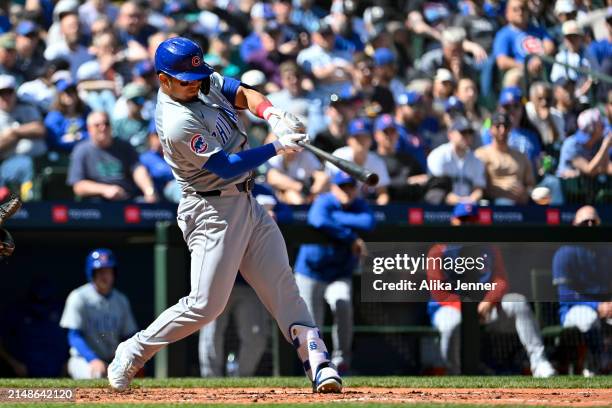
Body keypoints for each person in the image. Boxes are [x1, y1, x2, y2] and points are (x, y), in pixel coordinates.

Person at [107, 37, 342, 393]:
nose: (195, 83)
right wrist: (277, 146)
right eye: (184, 79)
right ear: (163, 79)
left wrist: (273, 114)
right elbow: (225, 166)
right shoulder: (175, 121)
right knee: (205, 306)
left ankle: (319, 363)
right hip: (210, 209)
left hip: (248, 202)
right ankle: (134, 349)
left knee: (283, 287)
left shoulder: (197, 78)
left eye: (197, 75)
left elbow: (242, 93)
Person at [427, 203, 556, 377]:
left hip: (485, 309)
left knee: (517, 302)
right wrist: (468, 310)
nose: (467, 225)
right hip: (449, 309)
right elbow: (439, 293)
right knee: (451, 322)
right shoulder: (438, 251)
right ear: (453, 221)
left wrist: (488, 302)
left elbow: (501, 281)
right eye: (462, 220)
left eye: (472, 221)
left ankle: (539, 363)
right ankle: (453, 373)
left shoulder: (488, 247)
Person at [198, 186, 289, 377]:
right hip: (221, 277)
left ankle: (240, 379)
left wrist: (271, 216)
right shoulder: (224, 186)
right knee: (211, 333)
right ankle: (211, 381)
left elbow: (287, 212)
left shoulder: (265, 191)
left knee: (256, 335)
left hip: (250, 283)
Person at [295, 171, 375, 374]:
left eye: (351, 186)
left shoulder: (360, 205)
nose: (347, 191)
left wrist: (336, 219)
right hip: (310, 271)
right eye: (342, 187)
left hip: (339, 273)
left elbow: (368, 222)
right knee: (311, 323)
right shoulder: (324, 201)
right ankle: (315, 364)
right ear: (333, 188)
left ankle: (341, 360)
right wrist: (351, 237)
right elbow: (318, 220)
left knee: (343, 304)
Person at [59, 249, 138, 379]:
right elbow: (73, 336)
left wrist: (130, 357)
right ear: (92, 273)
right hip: (83, 359)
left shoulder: (121, 299)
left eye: (108, 271)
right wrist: (93, 359)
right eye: (100, 272)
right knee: (97, 374)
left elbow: (128, 335)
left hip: (113, 359)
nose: (104, 276)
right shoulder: (78, 296)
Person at [552, 206, 612, 376]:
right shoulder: (565, 253)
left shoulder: (607, 252)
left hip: (605, 307)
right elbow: (566, 295)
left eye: (595, 222)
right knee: (588, 318)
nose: (591, 225)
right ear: (575, 226)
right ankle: (592, 368)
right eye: (585, 222)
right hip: (574, 311)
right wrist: (596, 305)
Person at [67, 111, 158, 202]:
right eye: (97, 125)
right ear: (89, 128)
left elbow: (138, 170)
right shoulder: (81, 150)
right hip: (96, 203)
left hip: (126, 198)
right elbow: (78, 186)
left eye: (106, 124)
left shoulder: (124, 146)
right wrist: (105, 190)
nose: (103, 128)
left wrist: (149, 191)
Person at [476, 111, 535, 205]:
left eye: (506, 126)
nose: (502, 130)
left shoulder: (520, 156)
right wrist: (501, 189)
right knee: (504, 202)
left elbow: (530, 183)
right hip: (495, 205)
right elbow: (479, 186)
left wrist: (526, 193)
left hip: (522, 204)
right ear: (491, 129)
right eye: (498, 126)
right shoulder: (482, 154)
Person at [328, 117, 391, 205]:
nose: (361, 141)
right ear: (349, 140)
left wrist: (378, 208)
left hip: (364, 206)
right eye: (357, 137)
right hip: (338, 204)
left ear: (370, 140)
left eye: (364, 137)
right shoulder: (339, 156)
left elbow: (383, 193)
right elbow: (330, 187)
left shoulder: (377, 162)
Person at [426, 116, 485, 205]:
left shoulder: (476, 159)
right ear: (450, 134)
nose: (467, 136)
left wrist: (471, 200)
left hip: (468, 208)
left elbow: (478, 188)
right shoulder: (438, 155)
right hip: (441, 209)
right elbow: (437, 189)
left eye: (470, 133)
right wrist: (461, 201)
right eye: (463, 132)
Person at [493, 0, 555, 77]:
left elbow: (549, 45)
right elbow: (502, 61)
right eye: (515, 10)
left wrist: (540, 58)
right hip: (522, 72)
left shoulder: (538, 29)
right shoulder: (503, 34)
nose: (520, 12)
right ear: (507, 13)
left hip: (543, 67)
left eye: (523, 9)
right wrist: (525, 66)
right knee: (514, 77)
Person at [44, 79, 89, 153]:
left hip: (85, 151)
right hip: (62, 154)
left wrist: (80, 136)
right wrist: (66, 140)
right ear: (59, 95)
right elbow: (53, 141)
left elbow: (93, 134)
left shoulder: (85, 112)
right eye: (66, 92)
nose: (70, 95)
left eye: (72, 91)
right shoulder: (53, 116)